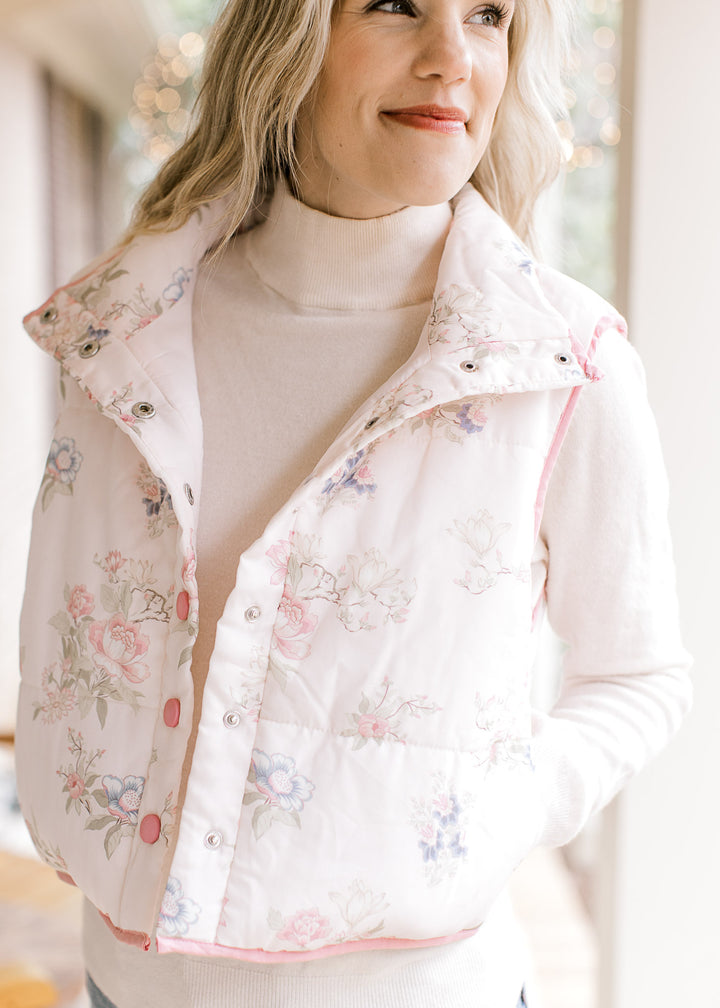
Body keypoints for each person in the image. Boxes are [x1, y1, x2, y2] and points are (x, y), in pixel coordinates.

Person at [16, 0, 692, 1006]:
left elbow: (639, 675)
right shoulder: (121, 331)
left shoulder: (561, 365)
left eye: (488, 16)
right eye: (394, 6)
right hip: (127, 984)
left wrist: (493, 800)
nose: (451, 58)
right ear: (288, 39)